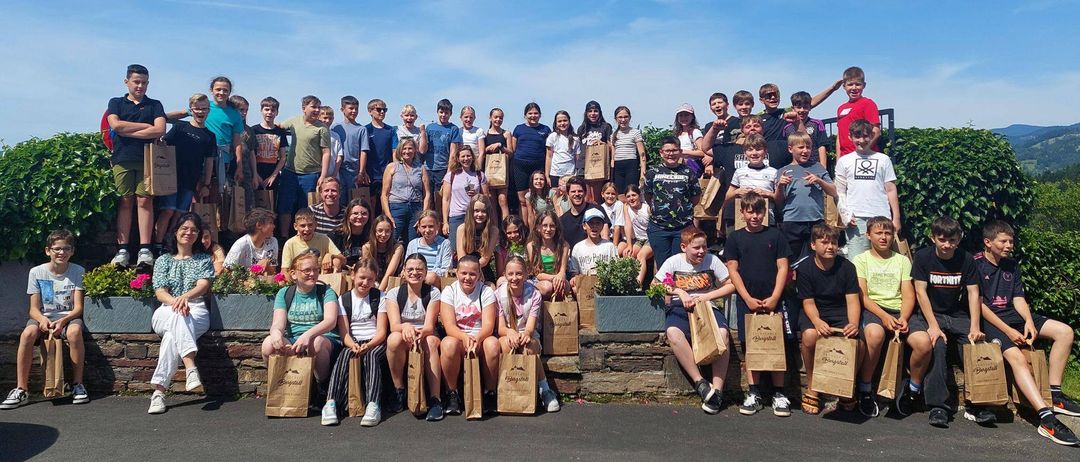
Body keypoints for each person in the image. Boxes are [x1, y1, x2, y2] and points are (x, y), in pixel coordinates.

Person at [975, 220, 1080, 445]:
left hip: (1013, 315)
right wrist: (1009, 332)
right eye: (1003, 241)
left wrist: (1029, 321)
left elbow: (1018, 298)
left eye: (1011, 241)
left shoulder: (1011, 265)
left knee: (1065, 332)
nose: (1009, 245)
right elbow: (979, 307)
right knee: (1017, 357)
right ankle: (1047, 418)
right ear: (988, 242)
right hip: (991, 321)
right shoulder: (975, 264)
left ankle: (1056, 394)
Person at [906, 216, 986, 427]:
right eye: (942, 239)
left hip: (957, 315)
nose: (946, 245)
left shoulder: (966, 259)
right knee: (937, 345)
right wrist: (933, 326)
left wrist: (975, 326)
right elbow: (920, 292)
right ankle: (938, 407)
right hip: (929, 314)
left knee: (973, 346)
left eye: (951, 240)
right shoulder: (923, 257)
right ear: (933, 238)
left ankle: (979, 403)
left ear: (958, 239)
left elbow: (973, 293)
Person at [2, 230, 88, 410]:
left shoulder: (77, 271)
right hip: (43, 317)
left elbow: (78, 308)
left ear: (72, 251)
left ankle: (77, 385)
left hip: (68, 318)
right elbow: (33, 309)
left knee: (74, 332)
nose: (61, 253)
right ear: (48, 251)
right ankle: (21, 389)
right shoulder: (36, 272)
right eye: (56, 249)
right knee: (27, 334)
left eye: (66, 249)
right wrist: (42, 320)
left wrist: (62, 322)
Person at [724, 192, 792, 417]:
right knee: (751, 345)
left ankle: (779, 393)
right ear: (742, 213)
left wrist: (774, 297)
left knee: (777, 343)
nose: (755, 216)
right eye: (750, 211)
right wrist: (746, 298)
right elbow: (733, 270)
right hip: (748, 300)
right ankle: (753, 392)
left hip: (774, 298)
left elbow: (783, 268)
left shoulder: (776, 235)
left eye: (759, 211)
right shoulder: (734, 238)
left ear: (765, 212)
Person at [654, 226, 736, 414]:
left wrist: (707, 297)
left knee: (722, 334)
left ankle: (717, 390)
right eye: (696, 248)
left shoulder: (712, 260)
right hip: (679, 308)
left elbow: (731, 285)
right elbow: (655, 285)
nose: (701, 252)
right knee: (673, 333)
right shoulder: (673, 262)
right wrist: (679, 291)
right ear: (684, 247)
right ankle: (700, 382)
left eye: (704, 247)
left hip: (707, 308)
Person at [145, 213, 215, 414]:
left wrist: (184, 298)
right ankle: (190, 367)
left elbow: (203, 285)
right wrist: (177, 302)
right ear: (175, 232)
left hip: (196, 310)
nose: (189, 233)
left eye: (194, 230)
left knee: (170, 338)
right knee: (177, 315)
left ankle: (158, 393)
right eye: (185, 228)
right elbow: (160, 292)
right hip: (166, 309)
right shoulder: (164, 260)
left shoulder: (203, 259)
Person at [796, 224, 863, 415]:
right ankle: (812, 386)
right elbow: (808, 303)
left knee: (856, 342)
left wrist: (853, 324)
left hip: (840, 311)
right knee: (809, 336)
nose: (830, 247)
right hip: (816, 311)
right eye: (824, 242)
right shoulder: (805, 268)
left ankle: (844, 386)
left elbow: (852, 301)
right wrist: (817, 322)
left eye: (833, 242)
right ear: (813, 245)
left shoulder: (848, 268)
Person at [261, 251, 342, 411]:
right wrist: (276, 333)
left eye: (316, 270)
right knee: (268, 344)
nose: (312, 274)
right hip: (293, 340)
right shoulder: (285, 293)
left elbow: (330, 321)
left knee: (316, 343)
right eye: (307, 270)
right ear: (293, 274)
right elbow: (278, 323)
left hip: (323, 339)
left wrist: (308, 335)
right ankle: (284, 385)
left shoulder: (326, 292)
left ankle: (321, 388)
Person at [852, 216, 916, 418]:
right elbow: (862, 295)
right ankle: (865, 388)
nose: (883, 237)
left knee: (922, 343)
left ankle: (912, 390)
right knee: (874, 334)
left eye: (888, 233)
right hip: (874, 308)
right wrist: (884, 316)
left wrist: (903, 317)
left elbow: (908, 294)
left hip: (899, 309)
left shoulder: (902, 260)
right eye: (878, 233)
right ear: (868, 235)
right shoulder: (860, 260)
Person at [107, 64, 166, 267]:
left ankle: (145, 248)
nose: (140, 86)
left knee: (144, 201)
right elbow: (115, 125)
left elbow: (159, 130)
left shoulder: (155, 105)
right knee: (125, 200)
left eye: (144, 83)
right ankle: (122, 249)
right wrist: (145, 127)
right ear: (127, 82)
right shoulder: (116, 102)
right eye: (136, 82)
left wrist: (128, 130)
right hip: (122, 158)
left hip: (147, 159)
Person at [322, 259, 387, 427]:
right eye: (362, 278)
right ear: (353, 276)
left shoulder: (380, 297)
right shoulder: (344, 299)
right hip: (354, 341)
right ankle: (331, 402)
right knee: (344, 355)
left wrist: (369, 345)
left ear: (375, 280)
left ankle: (373, 404)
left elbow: (381, 332)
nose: (365, 283)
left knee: (371, 356)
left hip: (375, 342)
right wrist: (353, 345)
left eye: (370, 279)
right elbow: (344, 333)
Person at [384, 254, 445, 421]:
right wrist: (406, 327)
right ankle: (399, 390)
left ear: (425, 273)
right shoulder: (394, 293)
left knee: (431, 342)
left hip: (425, 334)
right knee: (393, 339)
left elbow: (430, 326)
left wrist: (417, 333)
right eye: (410, 269)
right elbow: (394, 325)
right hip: (404, 333)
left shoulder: (433, 293)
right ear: (403, 272)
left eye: (419, 269)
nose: (414, 272)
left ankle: (435, 398)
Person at [496, 256, 561, 413]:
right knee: (505, 346)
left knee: (530, 347)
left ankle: (544, 390)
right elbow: (500, 328)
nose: (514, 278)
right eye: (510, 274)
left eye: (519, 274)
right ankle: (512, 390)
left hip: (527, 332)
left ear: (526, 275)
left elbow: (531, 325)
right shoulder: (498, 295)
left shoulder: (534, 294)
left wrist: (526, 333)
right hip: (508, 333)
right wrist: (510, 332)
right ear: (504, 274)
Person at [153, 93, 216, 253]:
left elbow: (209, 161)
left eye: (204, 109)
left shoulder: (210, 136)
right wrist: (183, 112)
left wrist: (206, 184)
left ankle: (170, 245)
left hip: (190, 180)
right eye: (197, 109)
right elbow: (162, 132)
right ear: (191, 109)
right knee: (168, 210)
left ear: (208, 110)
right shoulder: (180, 127)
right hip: (170, 177)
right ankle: (158, 245)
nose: (200, 112)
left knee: (180, 215)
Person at [438, 255, 500, 415]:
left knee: (493, 344)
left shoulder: (486, 291)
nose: (468, 277)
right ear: (457, 273)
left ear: (479, 275)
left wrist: (477, 338)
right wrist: (465, 338)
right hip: (459, 338)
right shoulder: (449, 291)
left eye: (472, 274)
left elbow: (488, 325)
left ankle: (490, 393)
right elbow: (449, 326)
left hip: (480, 338)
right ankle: (452, 393)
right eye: (464, 273)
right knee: (447, 344)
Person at [835, 119, 901, 258]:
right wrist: (845, 213)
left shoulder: (883, 159)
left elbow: (891, 189)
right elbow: (840, 192)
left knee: (882, 260)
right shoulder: (844, 161)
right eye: (857, 136)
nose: (861, 140)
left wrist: (896, 218)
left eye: (865, 136)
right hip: (856, 220)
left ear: (872, 136)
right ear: (850, 137)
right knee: (857, 262)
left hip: (881, 217)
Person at [775, 132, 836, 267]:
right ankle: (793, 287)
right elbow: (778, 202)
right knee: (792, 261)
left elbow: (833, 191)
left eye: (808, 147)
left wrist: (820, 181)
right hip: (792, 221)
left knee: (817, 259)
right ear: (790, 149)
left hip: (816, 220)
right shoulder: (783, 171)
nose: (805, 151)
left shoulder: (817, 167)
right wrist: (780, 186)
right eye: (801, 147)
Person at [277, 95, 332, 234]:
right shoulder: (294, 121)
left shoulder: (322, 128)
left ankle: (304, 237)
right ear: (304, 108)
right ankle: (284, 238)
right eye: (313, 107)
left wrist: (323, 175)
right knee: (285, 207)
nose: (317, 110)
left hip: (311, 174)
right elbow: (278, 127)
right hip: (290, 172)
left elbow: (326, 152)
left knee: (307, 209)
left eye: (318, 107)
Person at [643, 136, 700, 268]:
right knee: (664, 266)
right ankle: (665, 289)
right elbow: (648, 196)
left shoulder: (688, 172)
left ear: (680, 151)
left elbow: (695, 197)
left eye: (674, 150)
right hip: (658, 227)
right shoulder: (652, 173)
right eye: (667, 150)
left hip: (683, 227)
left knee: (681, 265)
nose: (671, 154)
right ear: (661, 152)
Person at [247, 97, 290, 229]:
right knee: (255, 205)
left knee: (271, 205)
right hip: (257, 172)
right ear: (261, 110)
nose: (269, 112)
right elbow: (251, 153)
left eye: (273, 110)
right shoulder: (254, 130)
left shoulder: (280, 132)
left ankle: (271, 232)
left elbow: (283, 157)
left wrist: (273, 176)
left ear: (277, 112)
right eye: (266, 109)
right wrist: (255, 175)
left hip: (273, 174)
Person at [382, 138, 430, 244]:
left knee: (412, 240)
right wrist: (388, 215)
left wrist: (423, 214)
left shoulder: (421, 168)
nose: (407, 151)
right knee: (392, 237)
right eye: (404, 148)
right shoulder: (392, 167)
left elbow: (427, 194)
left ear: (414, 151)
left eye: (410, 148)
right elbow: (384, 194)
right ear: (400, 150)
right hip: (396, 206)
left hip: (415, 207)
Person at [442, 145, 488, 251]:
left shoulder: (479, 175)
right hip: (456, 216)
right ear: (458, 158)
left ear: (472, 157)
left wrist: (476, 195)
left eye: (468, 156)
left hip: (475, 216)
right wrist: (445, 221)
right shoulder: (451, 176)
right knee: (454, 249)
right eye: (463, 156)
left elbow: (486, 198)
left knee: (474, 248)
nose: (466, 159)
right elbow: (446, 199)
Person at [725, 134, 778, 225]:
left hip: (767, 220)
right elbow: (727, 197)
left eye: (758, 149)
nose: (754, 153)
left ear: (765, 152)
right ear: (745, 153)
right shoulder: (739, 172)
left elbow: (779, 200)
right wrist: (737, 192)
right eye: (750, 150)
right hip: (743, 221)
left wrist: (767, 194)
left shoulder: (774, 172)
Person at [330, 96, 370, 206]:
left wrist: (361, 171)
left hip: (354, 171)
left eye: (356, 109)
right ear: (342, 109)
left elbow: (363, 151)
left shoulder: (361, 129)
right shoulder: (335, 127)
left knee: (354, 202)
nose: (354, 111)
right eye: (351, 108)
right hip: (338, 169)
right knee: (338, 199)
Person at [512, 103, 553, 210]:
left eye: (536, 113)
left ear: (540, 115)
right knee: (523, 200)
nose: (533, 116)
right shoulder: (518, 129)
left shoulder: (546, 129)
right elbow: (513, 149)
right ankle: (525, 226)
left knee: (538, 198)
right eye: (530, 113)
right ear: (525, 115)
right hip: (520, 167)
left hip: (538, 167)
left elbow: (549, 151)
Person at [569, 209, 618, 296]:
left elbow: (616, 271)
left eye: (598, 223)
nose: (594, 226)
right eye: (591, 223)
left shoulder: (609, 246)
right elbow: (575, 272)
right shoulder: (578, 247)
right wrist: (574, 280)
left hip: (605, 287)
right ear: (584, 226)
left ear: (602, 226)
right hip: (586, 287)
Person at [280, 209, 345, 274]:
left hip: (321, 277)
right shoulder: (290, 244)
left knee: (337, 261)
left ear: (316, 225)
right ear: (295, 226)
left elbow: (343, 260)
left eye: (310, 225)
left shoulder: (324, 239)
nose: (307, 229)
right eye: (303, 226)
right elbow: (284, 271)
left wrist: (330, 255)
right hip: (300, 278)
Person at [835, 67, 881, 157]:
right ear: (844, 86)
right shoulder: (840, 108)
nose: (854, 88)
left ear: (864, 85)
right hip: (845, 157)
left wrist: (861, 152)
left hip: (864, 157)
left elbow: (876, 131)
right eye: (850, 84)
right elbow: (839, 137)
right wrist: (839, 159)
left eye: (858, 84)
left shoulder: (867, 103)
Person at [478, 107, 514, 219]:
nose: (498, 119)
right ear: (490, 118)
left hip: (502, 170)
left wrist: (500, 146)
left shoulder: (506, 134)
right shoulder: (484, 133)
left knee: (503, 200)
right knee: (491, 201)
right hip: (489, 169)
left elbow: (511, 152)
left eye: (500, 117)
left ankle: (505, 228)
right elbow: (482, 151)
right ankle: (494, 229)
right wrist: (488, 148)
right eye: (496, 117)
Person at [527, 210, 570, 300]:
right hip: (539, 280)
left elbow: (562, 270)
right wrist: (555, 278)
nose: (548, 229)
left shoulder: (564, 245)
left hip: (558, 278)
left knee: (565, 286)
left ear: (556, 228)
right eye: (545, 226)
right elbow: (537, 273)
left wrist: (560, 276)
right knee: (547, 287)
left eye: (552, 226)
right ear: (538, 228)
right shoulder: (532, 246)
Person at [364, 99, 398, 212]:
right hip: (370, 175)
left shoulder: (390, 130)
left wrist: (396, 171)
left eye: (385, 110)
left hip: (386, 174)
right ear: (370, 111)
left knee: (385, 204)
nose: (382, 112)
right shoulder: (365, 130)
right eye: (379, 109)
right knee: (370, 206)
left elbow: (394, 151)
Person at [456, 196, 500, 283]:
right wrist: (470, 271)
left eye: (483, 211)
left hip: (483, 269)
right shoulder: (462, 229)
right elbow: (461, 257)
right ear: (471, 211)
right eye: (476, 211)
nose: (480, 214)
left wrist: (476, 271)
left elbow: (485, 259)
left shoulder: (493, 230)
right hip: (465, 269)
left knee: (491, 288)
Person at [423, 99, 463, 196]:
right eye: (441, 112)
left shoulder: (453, 129)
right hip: (428, 168)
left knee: (440, 197)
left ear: (451, 113)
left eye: (446, 113)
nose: (443, 115)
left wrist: (448, 173)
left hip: (443, 168)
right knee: (427, 197)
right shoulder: (429, 127)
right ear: (437, 112)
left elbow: (453, 153)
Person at [577, 101, 613, 202]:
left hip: (598, 165)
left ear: (600, 113)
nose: (593, 113)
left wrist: (601, 143)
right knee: (585, 197)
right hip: (583, 165)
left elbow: (611, 147)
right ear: (586, 113)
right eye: (590, 111)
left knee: (596, 198)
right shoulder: (581, 128)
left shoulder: (606, 127)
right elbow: (578, 149)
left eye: (595, 111)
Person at [781, 91, 829, 167]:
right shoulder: (787, 128)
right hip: (796, 166)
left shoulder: (817, 124)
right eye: (799, 107)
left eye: (805, 107)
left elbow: (822, 146)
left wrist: (823, 167)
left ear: (810, 107)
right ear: (793, 108)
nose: (802, 110)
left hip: (814, 165)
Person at [224, 208, 279, 273]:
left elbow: (272, 272)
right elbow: (226, 271)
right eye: (271, 223)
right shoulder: (241, 245)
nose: (274, 226)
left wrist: (267, 263)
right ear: (259, 225)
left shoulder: (273, 242)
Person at [559, 177, 608, 248]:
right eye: (573, 191)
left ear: (585, 193)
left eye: (580, 191)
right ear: (568, 194)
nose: (577, 194)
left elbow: (605, 236)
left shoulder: (597, 210)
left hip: (597, 255)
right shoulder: (562, 220)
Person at [406, 211, 452, 288]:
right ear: (419, 227)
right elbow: (407, 265)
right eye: (424, 227)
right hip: (415, 276)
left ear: (437, 226)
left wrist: (424, 274)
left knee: (431, 277)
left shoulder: (444, 243)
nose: (427, 230)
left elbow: (446, 269)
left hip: (435, 281)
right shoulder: (412, 244)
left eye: (431, 226)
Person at [620, 184, 653, 286]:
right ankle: (626, 285)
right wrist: (629, 244)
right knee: (628, 256)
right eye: (628, 196)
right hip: (639, 240)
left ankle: (637, 285)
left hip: (650, 238)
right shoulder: (627, 208)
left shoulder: (646, 208)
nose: (631, 198)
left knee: (640, 256)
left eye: (634, 195)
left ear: (639, 195)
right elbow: (628, 225)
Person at [701, 92, 739, 178]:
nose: (717, 106)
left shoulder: (737, 122)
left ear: (727, 105)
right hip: (716, 168)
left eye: (720, 102)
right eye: (713, 104)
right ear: (711, 108)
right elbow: (705, 146)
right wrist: (709, 164)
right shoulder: (709, 126)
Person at [610, 106, 646, 196]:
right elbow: (613, 158)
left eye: (626, 117)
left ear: (630, 118)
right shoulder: (613, 135)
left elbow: (642, 155)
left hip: (631, 166)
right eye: (620, 117)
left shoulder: (635, 132)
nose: (623, 120)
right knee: (620, 195)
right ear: (616, 119)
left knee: (631, 193)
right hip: (618, 168)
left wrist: (642, 174)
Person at [362, 215, 404, 291]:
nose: (384, 234)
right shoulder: (367, 247)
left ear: (391, 232)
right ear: (374, 231)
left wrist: (379, 293)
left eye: (387, 231)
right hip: (373, 283)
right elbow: (367, 271)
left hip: (391, 284)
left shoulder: (397, 247)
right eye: (380, 230)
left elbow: (390, 273)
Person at [545, 110, 580, 191]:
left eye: (565, 120)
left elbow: (576, 158)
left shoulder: (576, 138)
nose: (562, 123)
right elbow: (549, 157)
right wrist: (547, 175)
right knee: (555, 198)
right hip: (555, 173)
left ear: (569, 121)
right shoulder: (552, 136)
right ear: (556, 123)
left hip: (570, 174)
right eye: (559, 121)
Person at [334, 198, 372, 268]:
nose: (360, 216)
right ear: (348, 215)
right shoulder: (336, 235)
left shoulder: (372, 237)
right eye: (355, 213)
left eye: (364, 213)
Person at [673, 103, 706, 176]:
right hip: (679, 167)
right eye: (681, 115)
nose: (683, 118)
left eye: (687, 115)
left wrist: (684, 152)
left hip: (691, 168)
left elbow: (702, 152)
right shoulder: (677, 134)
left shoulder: (695, 132)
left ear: (692, 117)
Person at [495, 214, 529, 284]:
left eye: (516, 231)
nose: (513, 236)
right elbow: (501, 273)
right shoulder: (501, 249)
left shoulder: (528, 245)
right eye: (509, 233)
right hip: (509, 278)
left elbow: (532, 268)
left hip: (526, 278)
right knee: (500, 281)